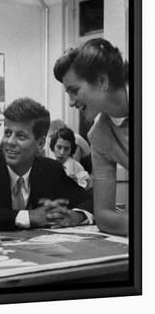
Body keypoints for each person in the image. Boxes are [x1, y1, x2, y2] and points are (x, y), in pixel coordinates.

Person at [0, 97, 93, 231]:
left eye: (20, 136)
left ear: (40, 144)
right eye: (8, 133)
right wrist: (28, 217)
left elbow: (90, 201)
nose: (10, 142)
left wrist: (76, 216)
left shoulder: (51, 170)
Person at [53, 38, 129, 236]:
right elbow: (103, 217)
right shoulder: (98, 135)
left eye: (74, 91)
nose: (71, 103)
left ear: (102, 80)